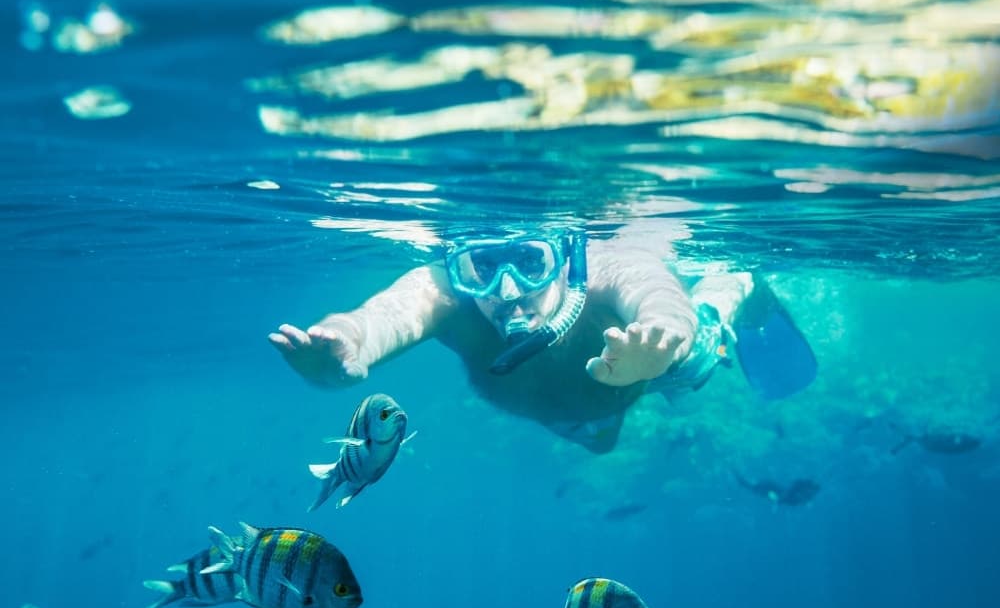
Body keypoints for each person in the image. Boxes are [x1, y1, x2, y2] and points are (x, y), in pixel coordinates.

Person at [269, 232, 811, 453]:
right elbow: (385, 315)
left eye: (530, 263)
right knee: (599, 442)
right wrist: (348, 345)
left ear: (563, 259)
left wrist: (663, 341)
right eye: (482, 267)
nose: (506, 291)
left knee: (695, 353)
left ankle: (733, 280)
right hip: (575, 414)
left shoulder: (604, 264)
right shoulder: (446, 291)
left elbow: (656, 293)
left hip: (658, 364)